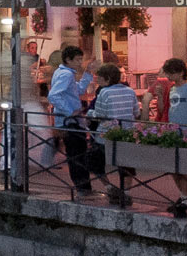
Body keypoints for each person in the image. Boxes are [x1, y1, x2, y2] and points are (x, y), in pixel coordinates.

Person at [48, 45, 96, 196]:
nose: (80, 63)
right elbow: (54, 95)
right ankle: (83, 188)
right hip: (70, 121)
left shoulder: (64, 72)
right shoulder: (66, 75)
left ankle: (83, 187)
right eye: (77, 60)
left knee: (77, 154)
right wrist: (70, 112)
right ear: (68, 60)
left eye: (81, 59)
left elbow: (78, 90)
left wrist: (87, 73)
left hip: (69, 120)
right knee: (77, 154)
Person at [89, 64, 138, 207]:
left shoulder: (104, 92)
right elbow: (136, 112)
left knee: (95, 162)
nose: (97, 81)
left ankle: (110, 188)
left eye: (99, 78)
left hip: (106, 135)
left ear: (107, 79)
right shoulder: (130, 91)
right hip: (127, 134)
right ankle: (126, 193)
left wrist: (89, 114)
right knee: (127, 165)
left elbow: (99, 114)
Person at [160, 58, 187, 218]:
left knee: (183, 167)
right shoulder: (171, 89)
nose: (168, 76)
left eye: (171, 73)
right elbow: (165, 109)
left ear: (180, 72)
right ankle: (184, 197)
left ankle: (185, 199)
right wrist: (161, 96)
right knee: (173, 166)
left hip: (186, 130)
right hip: (173, 129)